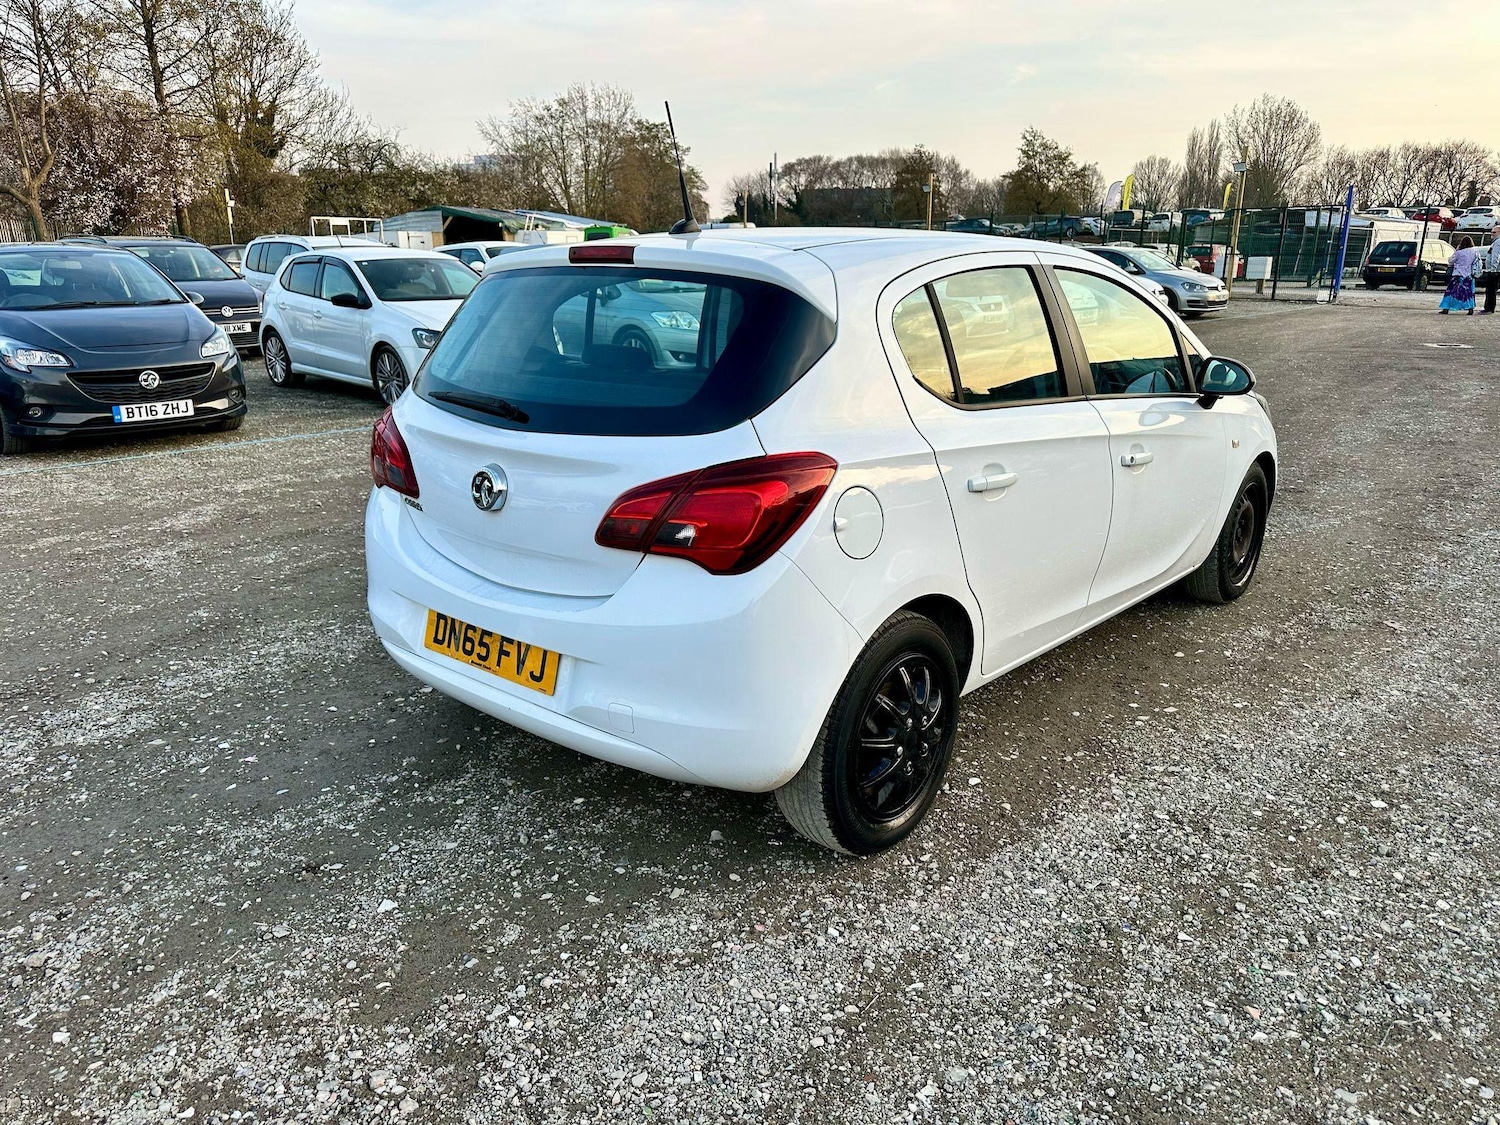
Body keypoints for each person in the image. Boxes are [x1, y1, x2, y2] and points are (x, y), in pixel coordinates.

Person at [1439, 236, 1478, 315]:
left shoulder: (1459, 253)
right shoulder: (1474, 252)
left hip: (1458, 274)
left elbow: (1450, 261)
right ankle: (1470, 308)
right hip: (1469, 275)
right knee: (1469, 292)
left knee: (1451, 292)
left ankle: (1446, 308)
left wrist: (1457, 250)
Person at [1480, 225, 1500, 316]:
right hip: (1496, 270)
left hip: (1495, 271)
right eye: (1491, 232)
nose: (1492, 234)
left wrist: (1493, 269)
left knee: (1491, 290)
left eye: (1494, 232)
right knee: (1491, 290)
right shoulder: (1496, 242)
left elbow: (1496, 256)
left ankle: (1489, 308)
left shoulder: (1497, 243)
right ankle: (1489, 308)